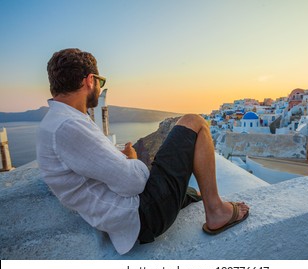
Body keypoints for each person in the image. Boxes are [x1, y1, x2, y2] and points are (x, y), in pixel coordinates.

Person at [36, 48, 249, 255]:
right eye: (100, 82)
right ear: (89, 80)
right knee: (194, 121)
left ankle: (188, 196)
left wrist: (123, 161)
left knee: (176, 181)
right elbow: (133, 183)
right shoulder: (67, 126)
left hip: (128, 214)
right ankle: (217, 212)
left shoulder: (58, 122)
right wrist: (132, 159)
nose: (99, 88)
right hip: (142, 215)